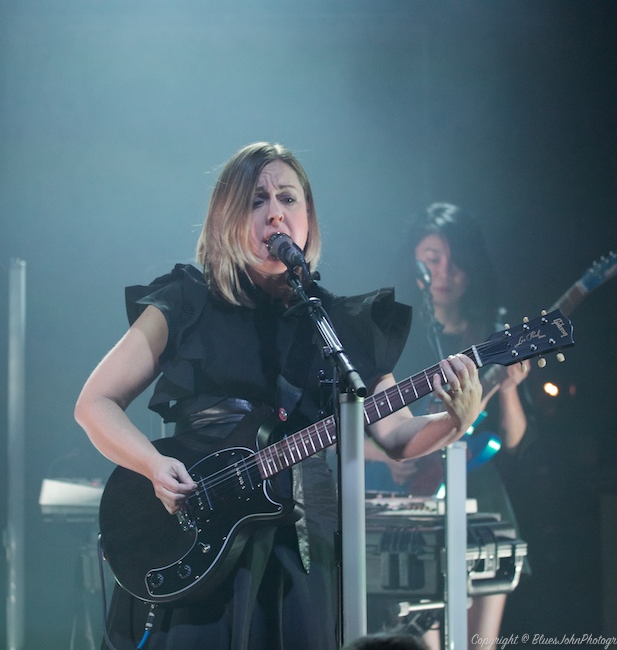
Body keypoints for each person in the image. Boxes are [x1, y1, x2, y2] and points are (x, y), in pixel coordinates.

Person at [74, 144, 483, 650]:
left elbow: (395, 433)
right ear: (227, 217)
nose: (275, 213)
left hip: (299, 549)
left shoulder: (337, 324)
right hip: (194, 537)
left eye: (288, 199)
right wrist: (153, 465)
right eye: (256, 201)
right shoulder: (186, 300)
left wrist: (453, 422)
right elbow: (94, 404)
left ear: (308, 217)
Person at [364, 202, 530, 650]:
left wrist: (510, 386)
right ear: (413, 263)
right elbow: (349, 431)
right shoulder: (395, 333)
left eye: (456, 261)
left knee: (481, 644)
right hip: (412, 508)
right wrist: (386, 456)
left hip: (482, 501)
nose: (445, 271)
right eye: (433, 259)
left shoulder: (493, 334)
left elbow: (510, 439)